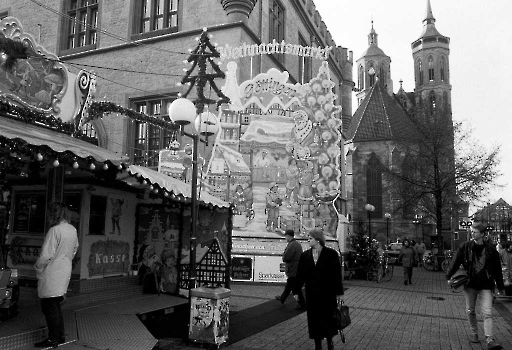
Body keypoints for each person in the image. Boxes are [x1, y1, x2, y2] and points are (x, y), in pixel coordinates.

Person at [446, 222, 505, 350]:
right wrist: (448, 276)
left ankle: (489, 339)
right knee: (470, 310)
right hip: (470, 285)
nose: (472, 233)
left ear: (482, 234)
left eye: (475, 232)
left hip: (486, 285)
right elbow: (456, 261)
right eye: (471, 231)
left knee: (487, 312)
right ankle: (474, 333)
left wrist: (500, 287)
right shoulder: (465, 247)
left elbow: (497, 269)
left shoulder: (491, 250)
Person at [34, 203, 79, 348]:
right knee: (56, 305)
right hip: (64, 269)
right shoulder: (72, 229)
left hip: (52, 271)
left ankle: (53, 338)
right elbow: (74, 249)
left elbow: (46, 255)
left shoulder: (54, 230)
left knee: (49, 307)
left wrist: (37, 266)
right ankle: (59, 336)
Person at [296, 229, 343, 350]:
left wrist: (339, 293)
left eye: (310, 238)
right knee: (314, 320)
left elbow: (336, 275)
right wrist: (296, 291)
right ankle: (317, 345)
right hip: (312, 294)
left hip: (328, 293)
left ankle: (329, 342)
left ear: (317, 240)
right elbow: (300, 275)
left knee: (328, 319)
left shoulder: (331, 254)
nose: (308, 240)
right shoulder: (305, 255)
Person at [275, 230, 306, 309]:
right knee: (290, 285)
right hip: (297, 268)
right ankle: (283, 298)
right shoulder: (297, 244)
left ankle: (301, 304)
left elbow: (287, 257)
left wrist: (283, 257)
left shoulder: (292, 245)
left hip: (293, 269)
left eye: (286, 236)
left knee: (295, 289)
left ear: (288, 236)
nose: (285, 238)